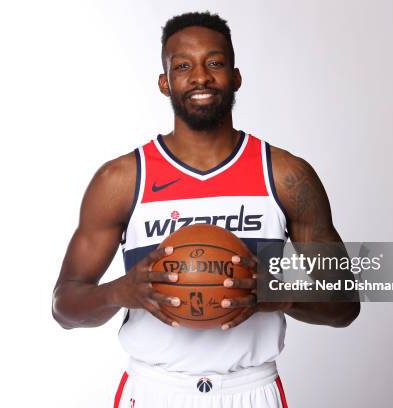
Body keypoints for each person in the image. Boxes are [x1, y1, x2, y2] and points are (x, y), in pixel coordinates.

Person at [52, 11, 360, 408]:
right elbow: (64, 306)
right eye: (183, 66)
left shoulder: (285, 175)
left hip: (250, 390)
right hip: (154, 390)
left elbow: (344, 304)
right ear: (165, 83)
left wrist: (274, 293)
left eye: (214, 63)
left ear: (235, 76)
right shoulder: (122, 179)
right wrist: (120, 292)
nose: (200, 77)